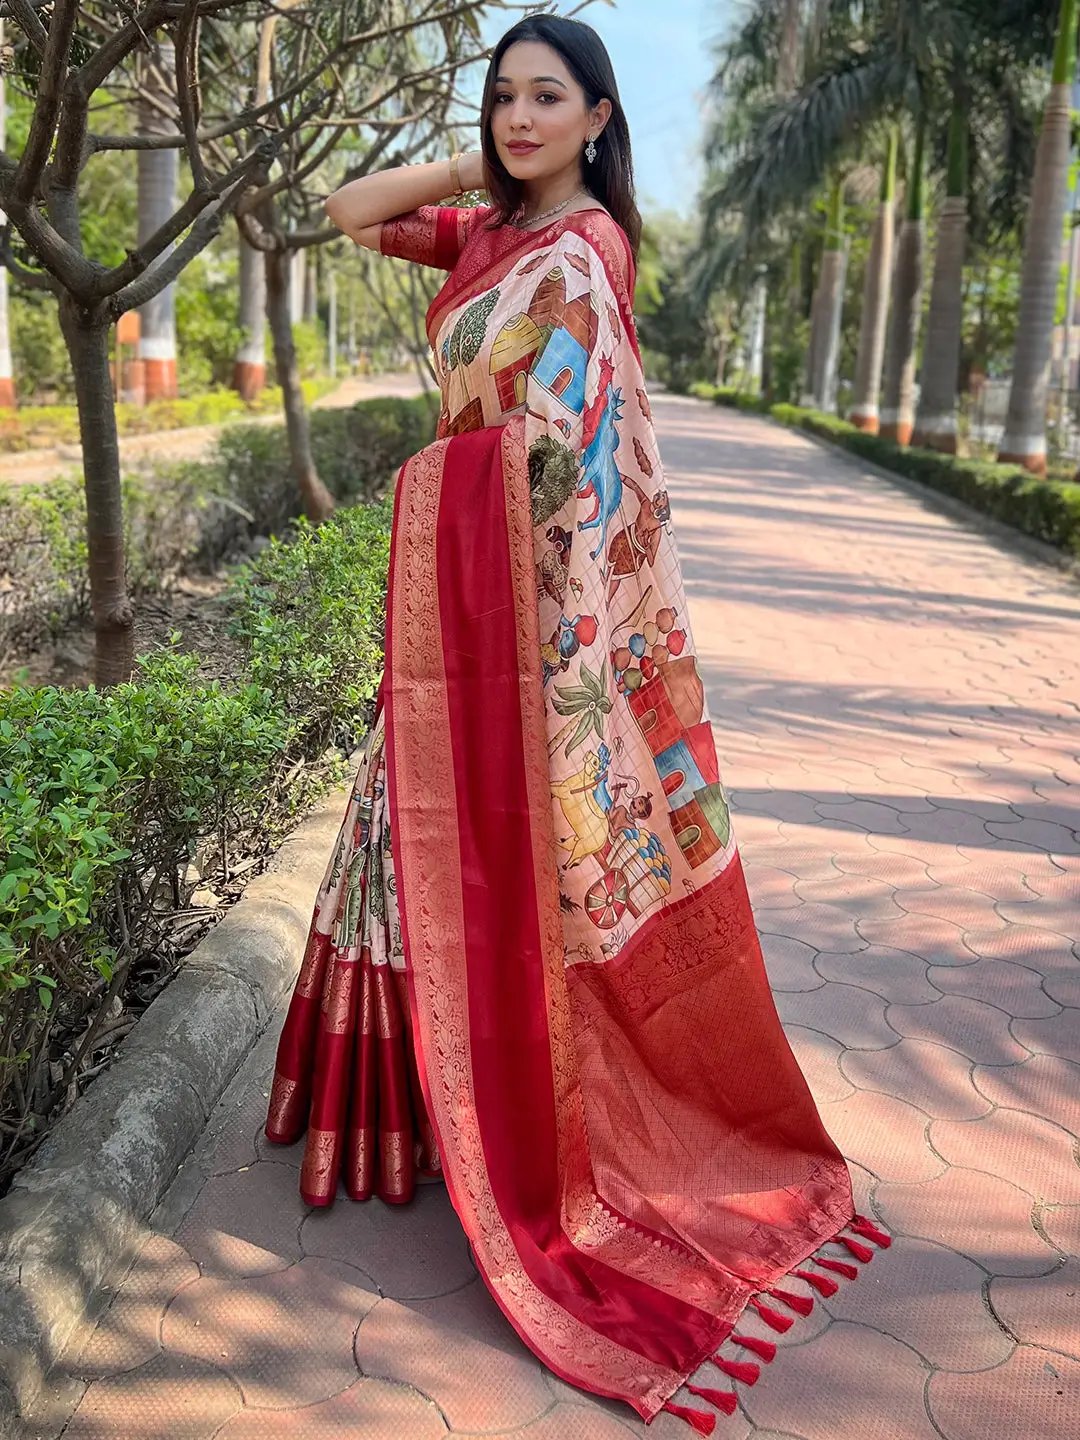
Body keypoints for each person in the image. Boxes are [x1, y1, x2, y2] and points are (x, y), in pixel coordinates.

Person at [263, 14, 888, 1433]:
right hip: (453, 615)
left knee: (510, 860)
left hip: (534, 626)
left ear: (602, 118)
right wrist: (472, 157)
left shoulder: (585, 258)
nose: (523, 116)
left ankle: (513, 1126)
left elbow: (573, 454)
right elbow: (343, 210)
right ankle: (410, 1115)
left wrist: (475, 515)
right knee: (397, 829)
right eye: (507, 97)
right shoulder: (483, 238)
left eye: (550, 98)